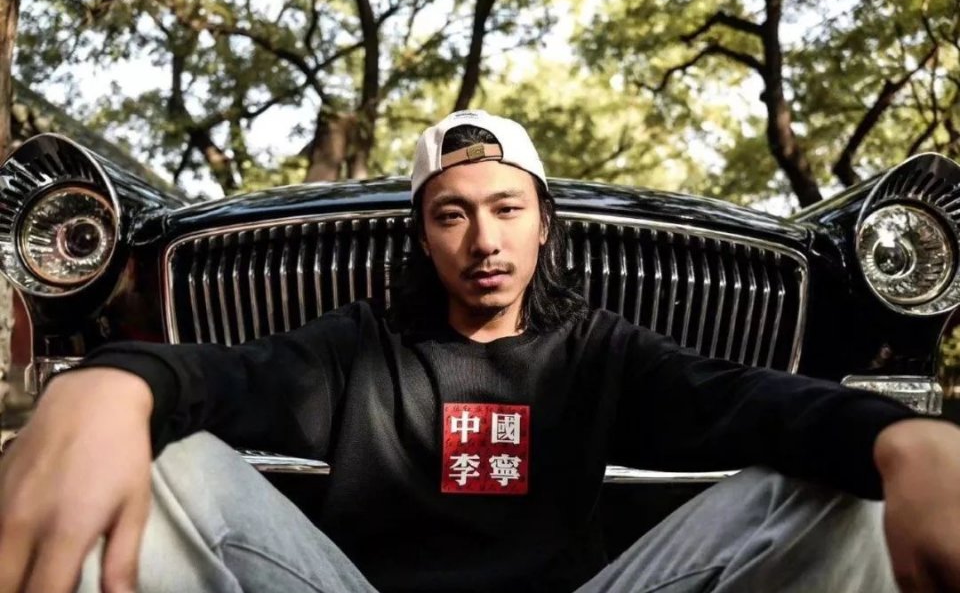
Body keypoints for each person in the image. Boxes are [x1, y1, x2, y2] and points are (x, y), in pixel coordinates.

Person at [1, 110, 960, 593]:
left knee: (835, 484)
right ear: (425, 237)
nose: (485, 241)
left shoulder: (598, 350)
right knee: (164, 458)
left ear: (544, 225)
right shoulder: (360, 347)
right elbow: (227, 377)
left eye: (507, 209)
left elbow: (751, 402)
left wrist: (903, 441)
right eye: (452, 216)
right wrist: (109, 387)